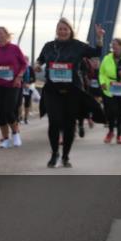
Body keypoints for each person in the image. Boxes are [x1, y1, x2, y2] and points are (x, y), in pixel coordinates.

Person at [34, 18, 105, 168]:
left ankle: (65, 156)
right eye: (60, 28)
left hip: (72, 90)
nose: (62, 31)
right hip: (53, 90)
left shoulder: (78, 46)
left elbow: (96, 52)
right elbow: (40, 60)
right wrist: (37, 65)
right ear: (56, 30)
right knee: (54, 122)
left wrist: (99, 37)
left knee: (69, 125)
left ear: (70, 31)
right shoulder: (48, 46)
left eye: (65, 29)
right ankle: (54, 154)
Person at [0, 26, 29, 148]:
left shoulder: (14, 48)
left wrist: (19, 76)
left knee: (9, 110)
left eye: (0, 33)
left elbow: (24, 64)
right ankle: (5, 138)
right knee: (0, 113)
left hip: (13, 84)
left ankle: (15, 133)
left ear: (6, 35)